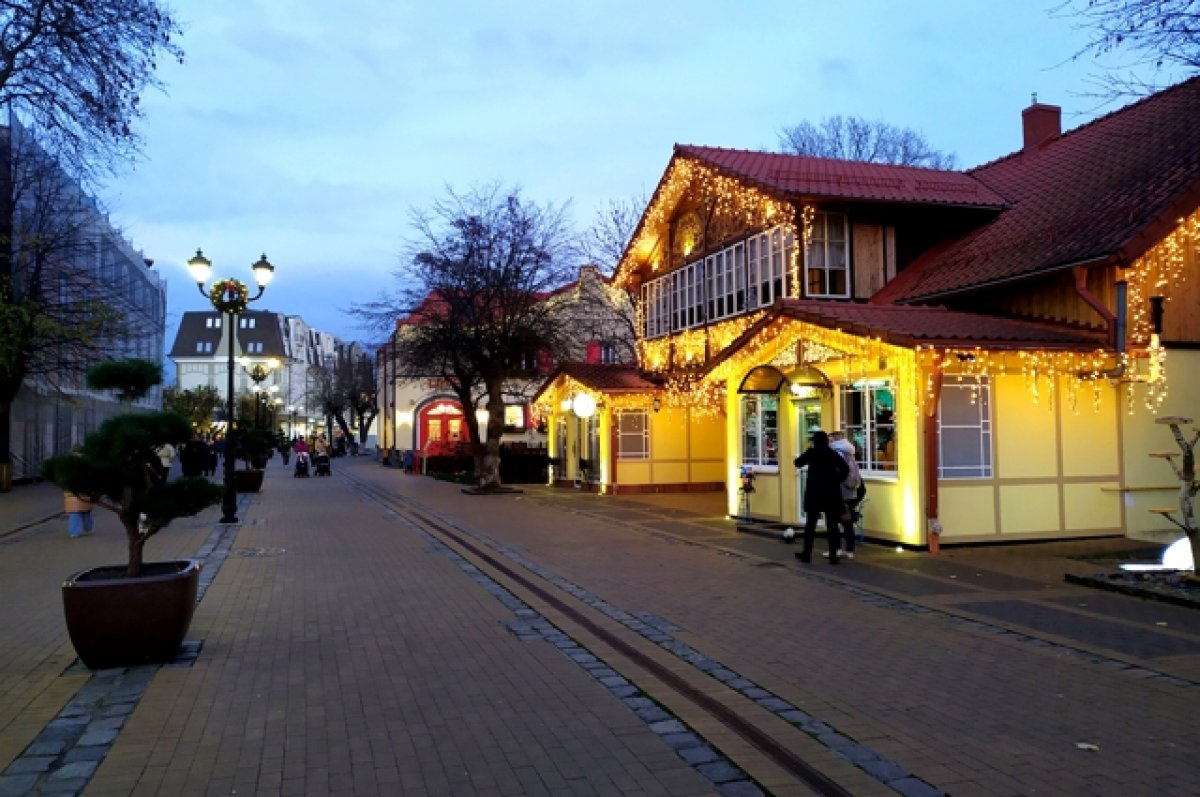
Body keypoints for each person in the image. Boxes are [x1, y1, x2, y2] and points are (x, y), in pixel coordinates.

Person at [793, 430, 849, 565]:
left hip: (815, 494)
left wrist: (807, 452)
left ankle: (807, 554)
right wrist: (837, 479)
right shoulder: (832, 454)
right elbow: (845, 469)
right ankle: (833, 557)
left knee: (810, 525)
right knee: (832, 525)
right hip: (831, 493)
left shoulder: (812, 453)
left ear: (815, 441)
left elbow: (798, 463)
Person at [828, 431, 864, 560]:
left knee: (833, 521)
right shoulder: (849, 451)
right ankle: (849, 549)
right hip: (850, 492)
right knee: (847, 521)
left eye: (831, 440)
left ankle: (836, 549)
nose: (829, 442)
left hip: (839, 491)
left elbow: (837, 472)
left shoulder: (837, 453)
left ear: (836, 440)